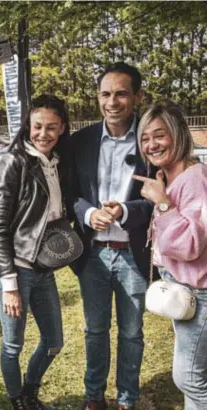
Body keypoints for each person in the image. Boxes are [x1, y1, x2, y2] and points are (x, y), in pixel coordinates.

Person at [71, 62, 154, 410]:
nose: (113, 101)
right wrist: (89, 214)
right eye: (106, 94)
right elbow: (70, 194)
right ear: (98, 97)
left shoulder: (151, 140)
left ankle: (127, 399)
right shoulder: (80, 141)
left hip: (134, 253)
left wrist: (126, 211)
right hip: (93, 254)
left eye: (121, 93)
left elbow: (161, 198)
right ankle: (94, 397)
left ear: (136, 97)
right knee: (95, 331)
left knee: (132, 333)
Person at [0, 95, 71, 410]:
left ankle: (29, 391)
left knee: (54, 343)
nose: (43, 133)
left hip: (44, 269)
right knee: (13, 345)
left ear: (62, 128)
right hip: (17, 271)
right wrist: (9, 284)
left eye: (52, 127)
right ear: (28, 125)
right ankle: (18, 401)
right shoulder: (15, 161)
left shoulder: (56, 162)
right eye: (38, 126)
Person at [134, 100, 207, 410]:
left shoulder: (195, 180)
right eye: (145, 138)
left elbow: (190, 245)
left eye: (159, 135)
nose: (152, 145)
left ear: (177, 134)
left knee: (189, 378)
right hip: (187, 292)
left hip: (200, 293)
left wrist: (162, 203)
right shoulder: (171, 175)